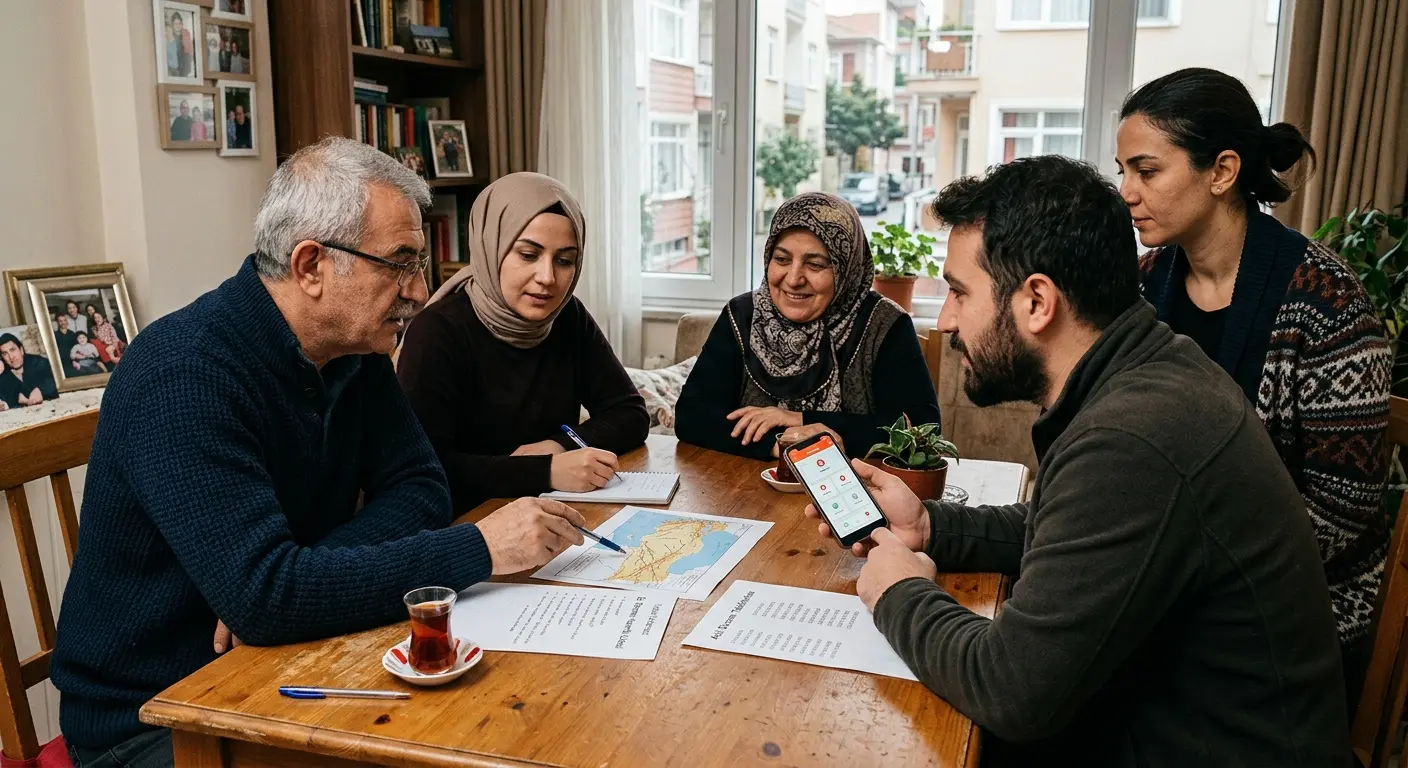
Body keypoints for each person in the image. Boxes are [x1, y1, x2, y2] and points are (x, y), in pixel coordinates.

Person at [51, 137, 589, 768]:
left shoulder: (354, 353)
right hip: (155, 716)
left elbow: (422, 486)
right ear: (310, 266)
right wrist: (479, 548)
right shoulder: (183, 373)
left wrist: (304, 574)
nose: (419, 290)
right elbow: (267, 596)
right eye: (402, 263)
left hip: (281, 661)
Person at [808, 156, 1348, 766]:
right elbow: (1072, 533)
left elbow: (1011, 689)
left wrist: (899, 592)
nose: (949, 320)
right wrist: (931, 526)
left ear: (1038, 301)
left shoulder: (1132, 437)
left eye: (959, 292)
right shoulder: (1149, 372)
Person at [1116, 67, 1393, 706]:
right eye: (1122, 171)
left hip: (1295, 609)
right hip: (1169, 577)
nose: (1127, 191)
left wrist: (1184, 571)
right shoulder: (1142, 285)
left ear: (1222, 171)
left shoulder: (1329, 307)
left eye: (1147, 170)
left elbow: (1341, 511)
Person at [397, 173, 649, 511]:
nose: (547, 278)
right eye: (528, 255)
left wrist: (557, 446)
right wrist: (545, 471)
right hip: (467, 524)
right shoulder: (437, 331)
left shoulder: (567, 316)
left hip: (551, 510)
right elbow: (427, 469)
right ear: (492, 247)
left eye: (564, 260)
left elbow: (630, 413)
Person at [675, 192, 940, 461]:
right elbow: (691, 416)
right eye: (781, 259)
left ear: (845, 268)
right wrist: (780, 443)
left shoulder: (885, 324)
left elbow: (921, 431)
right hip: (745, 490)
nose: (793, 278)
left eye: (815, 264)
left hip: (856, 492)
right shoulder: (742, 315)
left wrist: (798, 419)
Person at [0, 333, 57, 409]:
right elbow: (5, 400)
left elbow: (53, 380)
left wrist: (40, 389)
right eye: (5, 354)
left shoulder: (39, 362)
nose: (11, 357)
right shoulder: (4, 376)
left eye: (13, 350)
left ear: (21, 350)